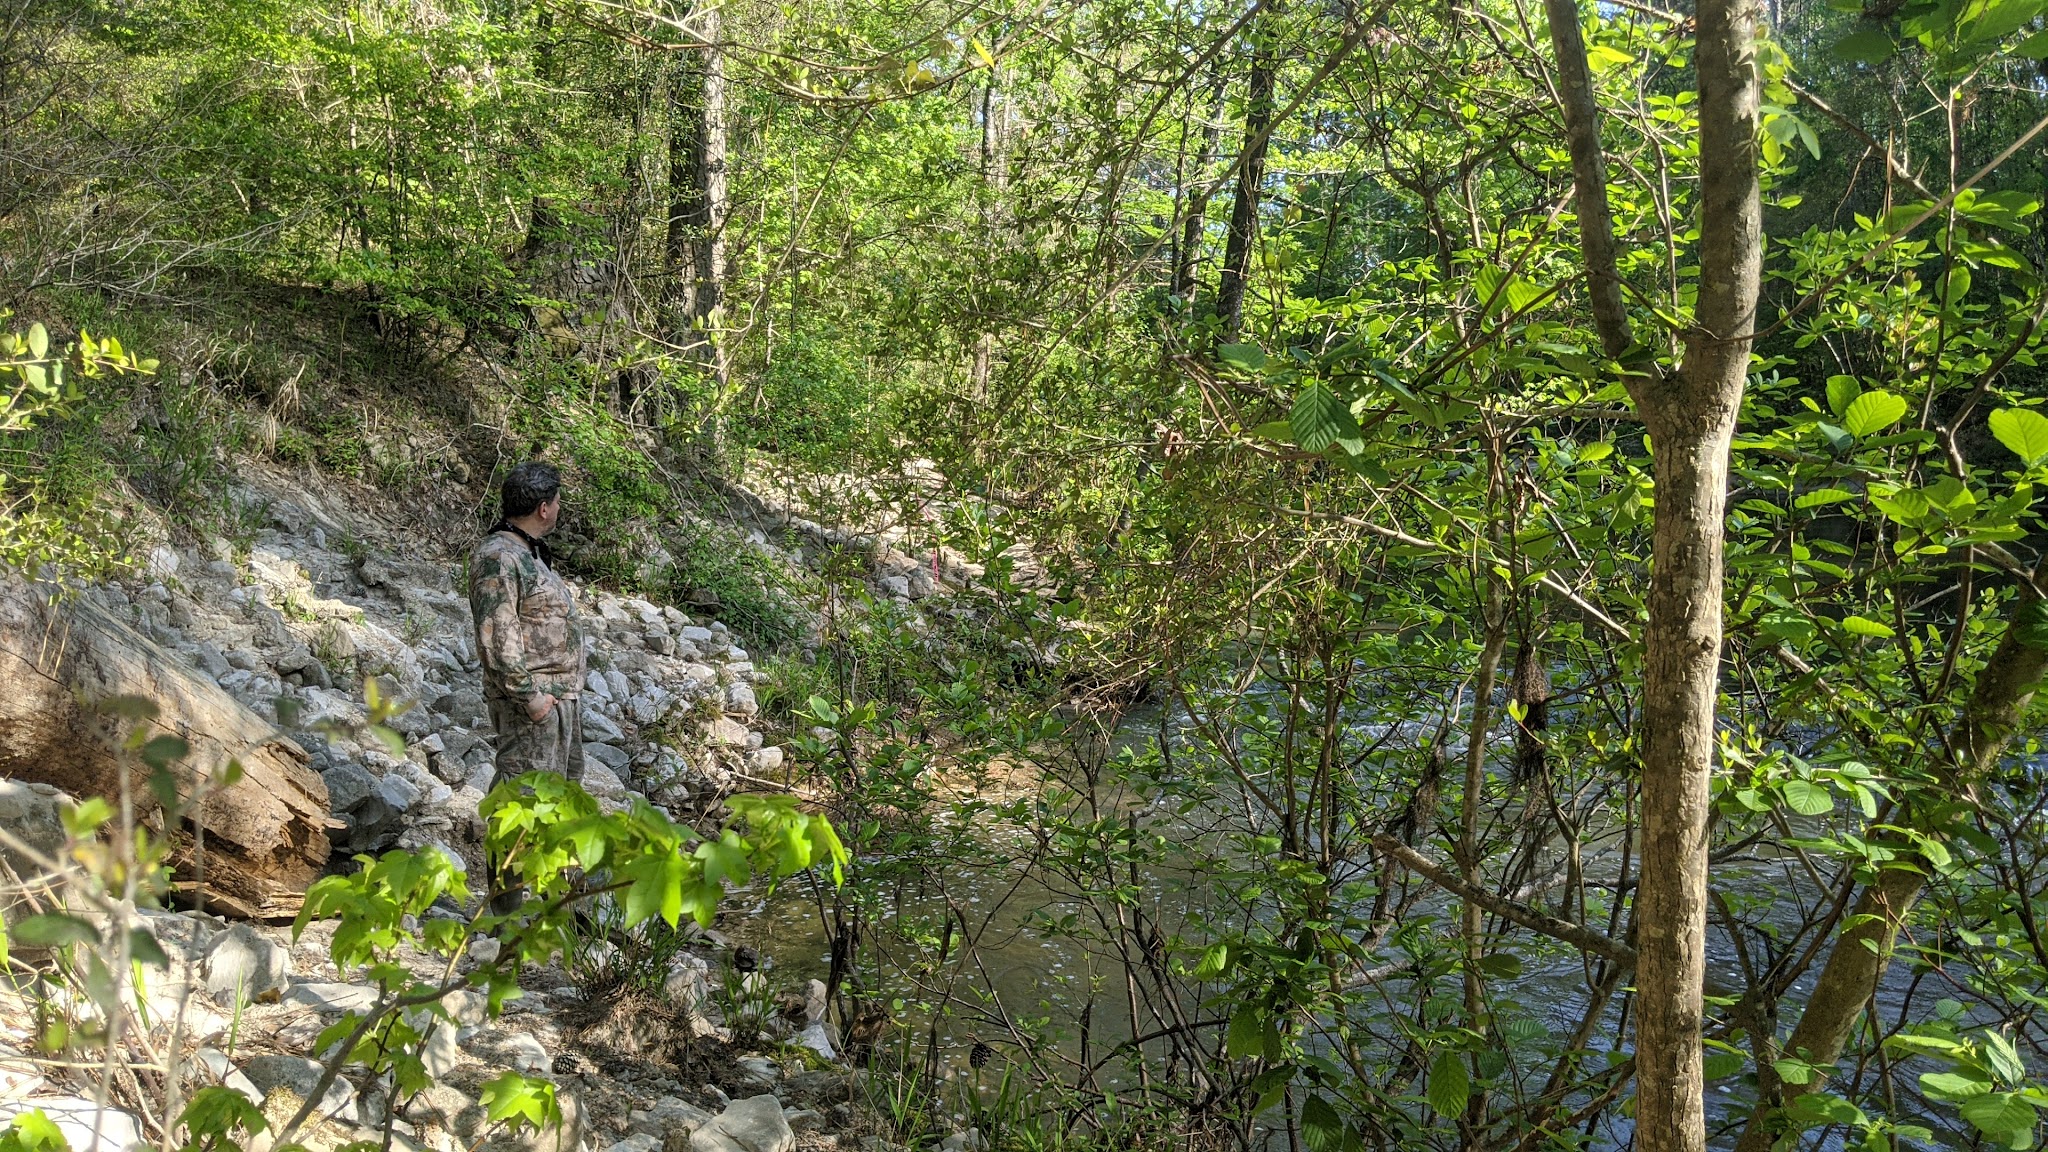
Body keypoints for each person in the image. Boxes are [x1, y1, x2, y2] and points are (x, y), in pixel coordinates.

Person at [469, 460, 586, 790]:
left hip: (556, 698)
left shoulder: (525, 552)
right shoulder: (499, 557)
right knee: (523, 795)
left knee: (557, 799)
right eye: (558, 502)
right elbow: (497, 635)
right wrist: (530, 698)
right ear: (544, 509)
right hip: (532, 703)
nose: (559, 509)